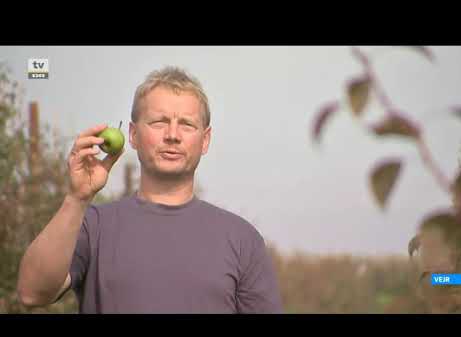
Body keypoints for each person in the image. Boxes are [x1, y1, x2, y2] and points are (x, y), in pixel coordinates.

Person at [16, 66, 283, 314]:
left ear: (205, 140)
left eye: (187, 125)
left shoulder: (242, 240)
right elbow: (32, 293)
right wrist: (76, 198)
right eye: (159, 122)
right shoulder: (93, 226)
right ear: (132, 135)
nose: (173, 135)